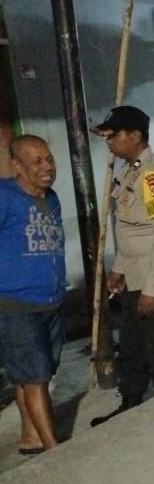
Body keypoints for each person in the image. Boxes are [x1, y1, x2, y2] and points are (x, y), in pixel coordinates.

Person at [90, 106, 154, 427]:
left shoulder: (152, 176)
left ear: (135, 136)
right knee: (131, 345)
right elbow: (128, 230)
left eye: (114, 135)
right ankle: (130, 401)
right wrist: (118, 268)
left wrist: (153, 290)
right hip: (133, 278)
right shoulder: (129, 171)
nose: (109, 142)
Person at [0, 135, 67, 456]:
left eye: (49, 159)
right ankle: (55, 449)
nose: (47, 167)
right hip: (17, 305)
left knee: (30, 376)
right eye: (37, 161)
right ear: (17, 166)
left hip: (51, 300)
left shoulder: (51, 198)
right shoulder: (4, 197)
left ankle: (31, 437)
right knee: (36, 377)